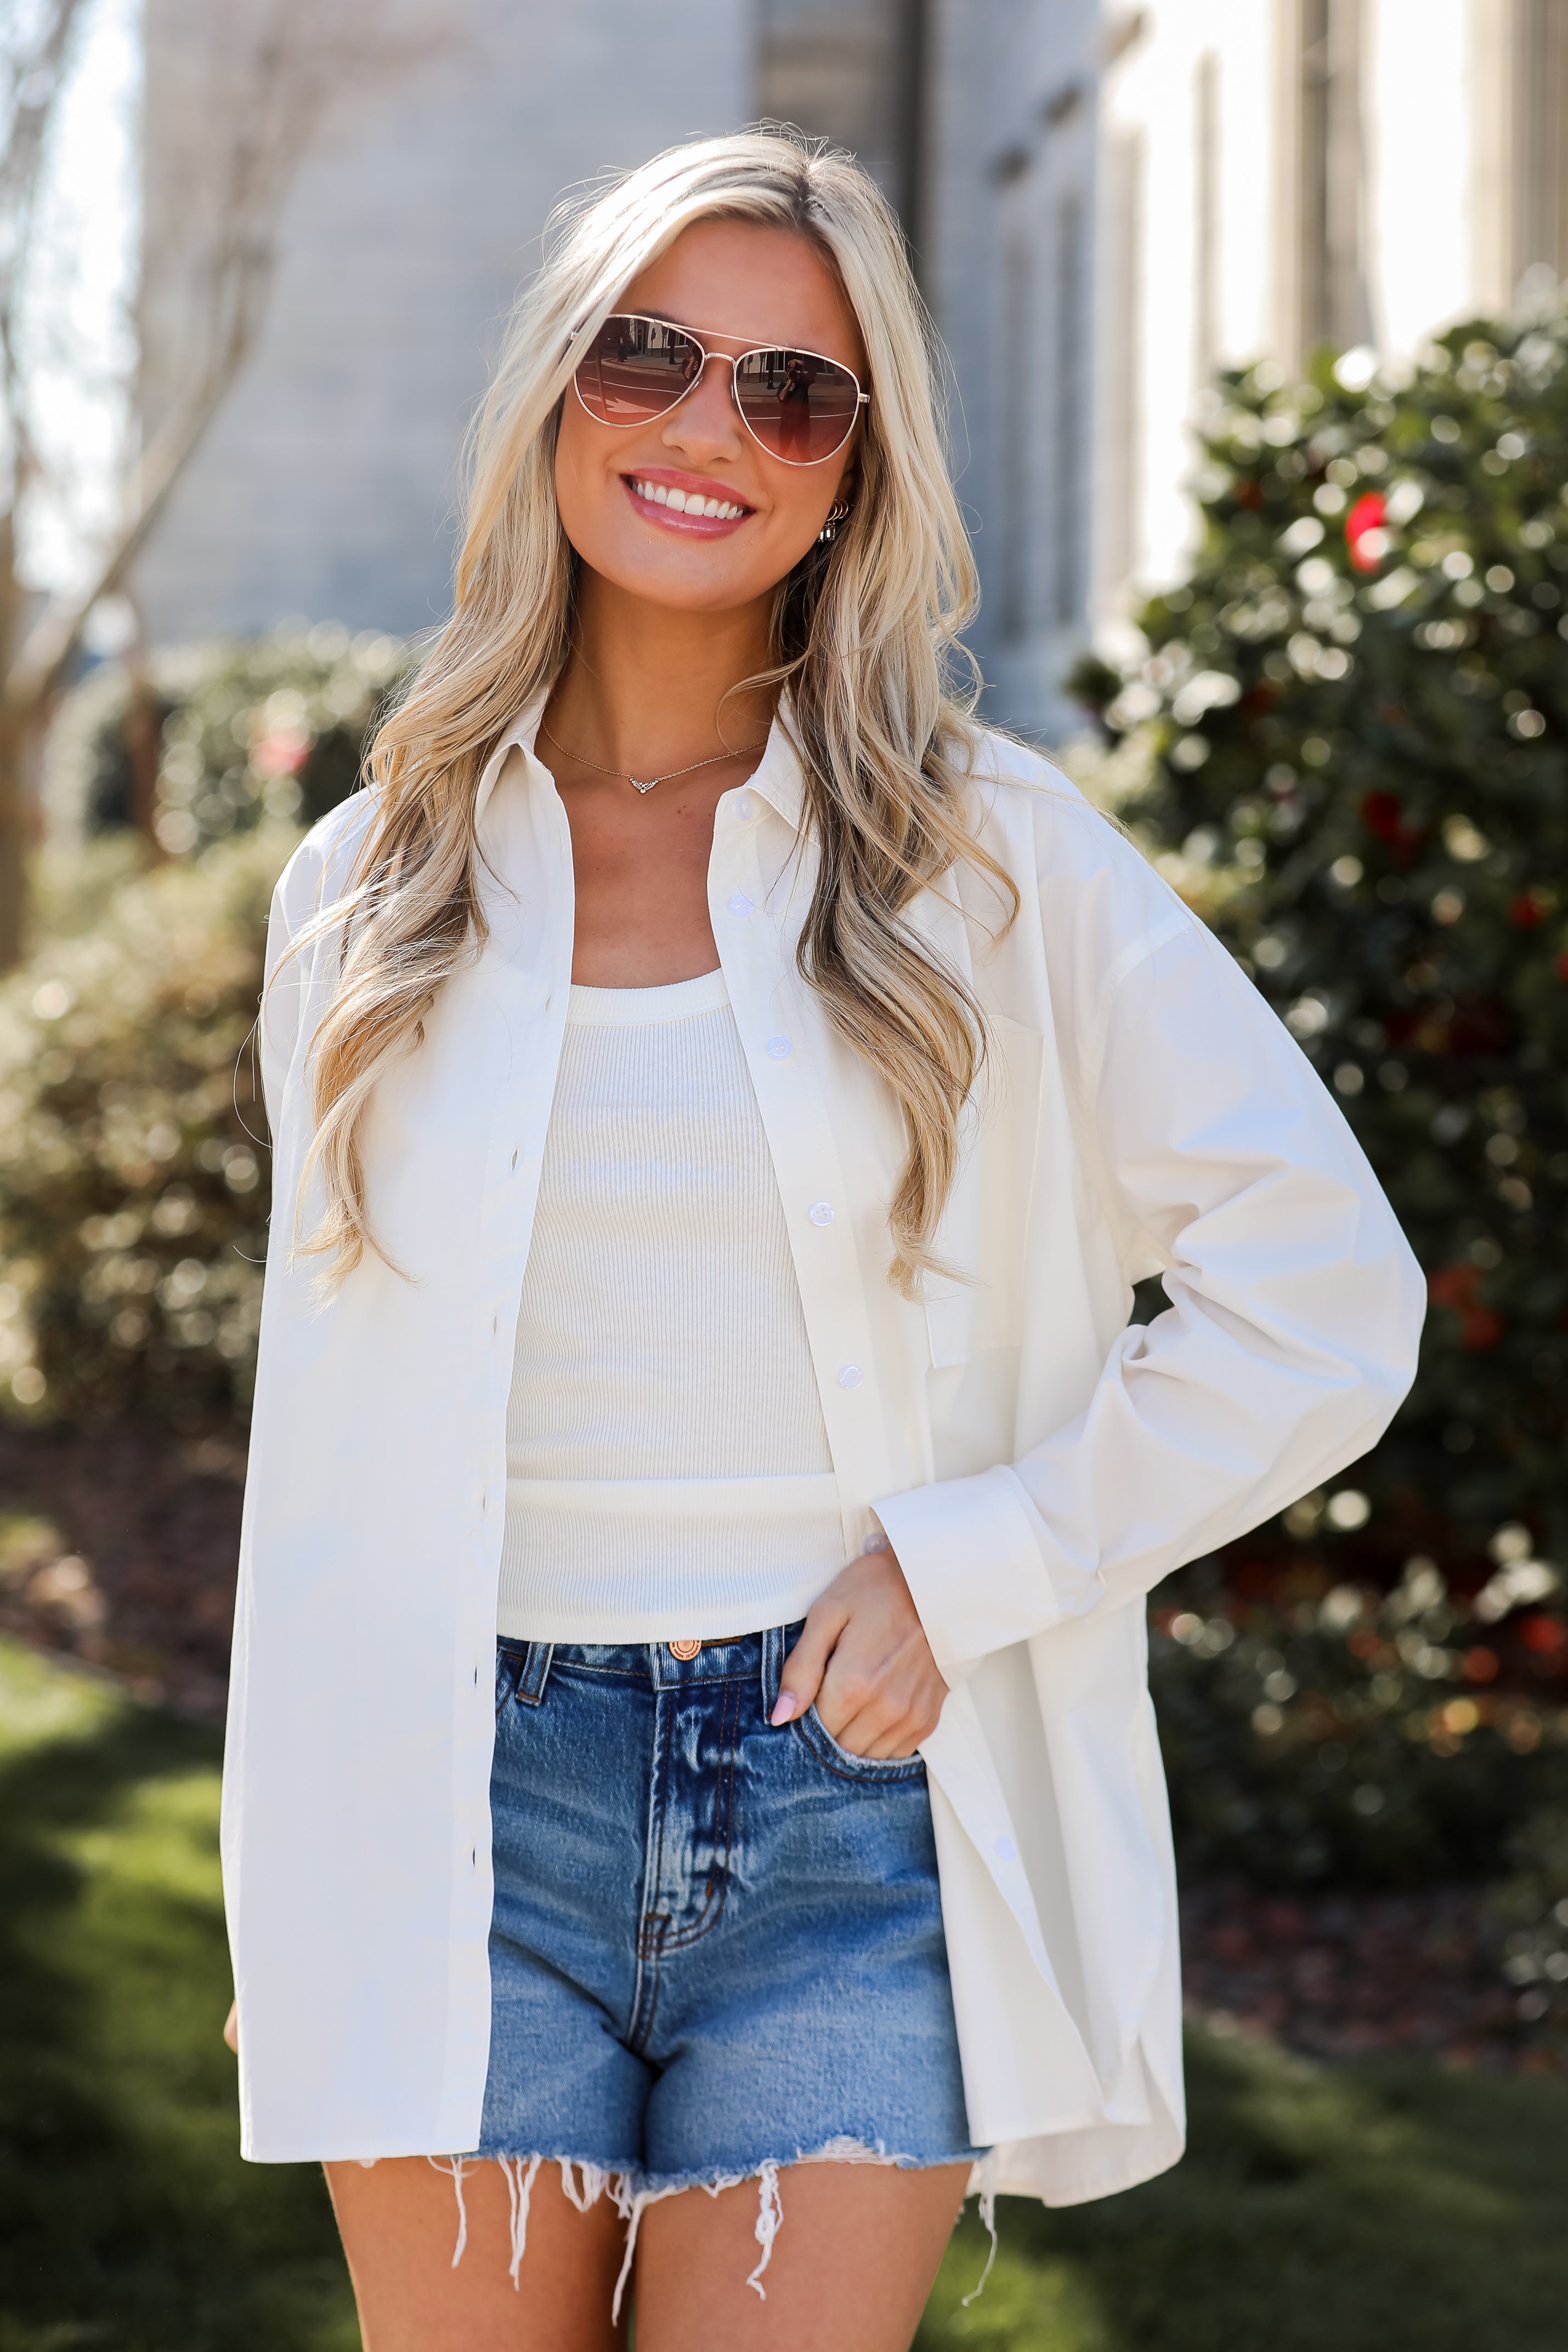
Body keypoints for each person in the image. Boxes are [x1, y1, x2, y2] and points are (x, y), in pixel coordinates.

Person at [221, 130, 1424, 2351]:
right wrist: (291, 1889)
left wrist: (987, 1556)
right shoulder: (366, 892)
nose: (707, 429)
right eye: (650, 354)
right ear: (555, 387)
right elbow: (327, 1451)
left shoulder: (995, 863)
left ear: (857, 475)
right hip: (450, 1815)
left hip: (851, 1815)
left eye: (793, 393)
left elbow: (1325, 1291)